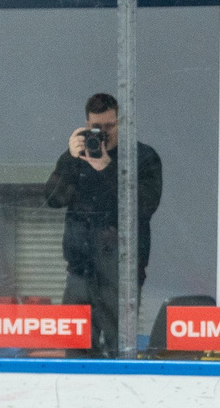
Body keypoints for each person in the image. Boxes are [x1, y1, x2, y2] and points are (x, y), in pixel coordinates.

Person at [43, 92, 163, 357]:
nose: (103, 134)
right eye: (97, 128)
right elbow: (53, 199)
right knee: (75, 346)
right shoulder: (78, 158)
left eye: (110, 126)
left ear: (123, 124)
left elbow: (144, 206)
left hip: (122, 272)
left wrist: (108, 167)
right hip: (80, 269)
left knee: (118, 348)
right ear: (87, 125)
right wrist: (69, 160)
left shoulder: (142, 158)